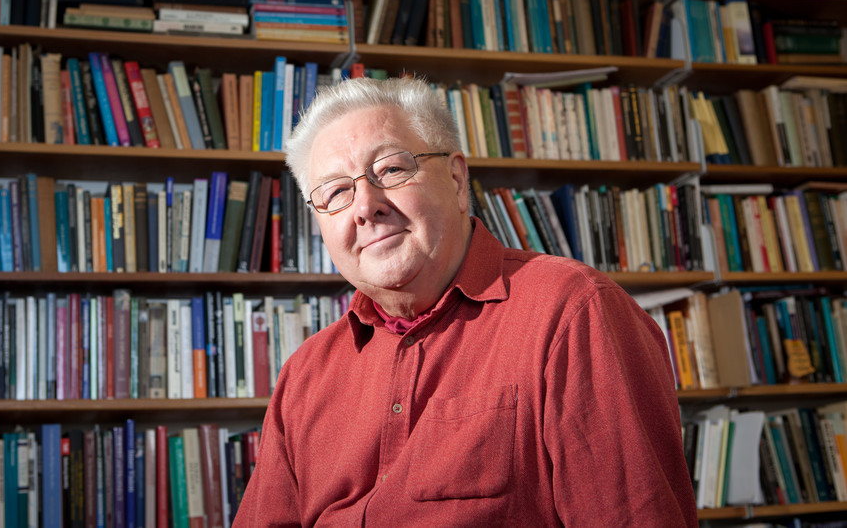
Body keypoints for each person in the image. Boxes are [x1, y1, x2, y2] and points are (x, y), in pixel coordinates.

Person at [233, 76, 698, 527]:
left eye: (391, 169)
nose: (364, 205)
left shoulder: (571, 311)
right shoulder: (304, 374)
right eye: (336, 192)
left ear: (456, 180)